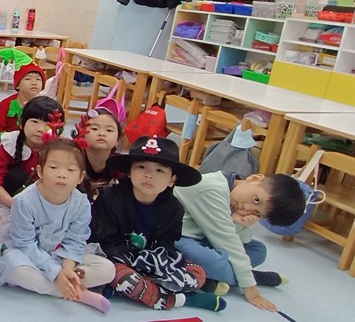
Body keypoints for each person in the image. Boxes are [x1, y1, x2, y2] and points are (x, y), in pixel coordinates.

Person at [91, 137, 226, 312]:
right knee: (125, 279)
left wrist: (154, 263)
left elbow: (167, 243)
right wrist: (139, 263)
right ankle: (184, 299)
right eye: (141, 167)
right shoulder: (110, 199)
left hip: (153, 259)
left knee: (198, 273)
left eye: (160, 170)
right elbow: (105, 242)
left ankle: (148, 289)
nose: (149, 175)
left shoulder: (174, 208)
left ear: (172, 179)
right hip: (116, 258)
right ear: (129, 172)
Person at [0, 138, 115, 313]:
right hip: (26, 253)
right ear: (40, 171)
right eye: (53, 167)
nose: (61, 174)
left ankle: (66, 283)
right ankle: (79, 293)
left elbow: (75, 241)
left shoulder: (81, 203)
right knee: (17, 270)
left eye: (70, 170)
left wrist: (66, 269)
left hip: (60, 254)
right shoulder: (24, 201)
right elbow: (25, 244)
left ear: (80, 177)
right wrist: (56, 273)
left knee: (107, 270)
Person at [174, 169, 306, 311]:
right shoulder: (212, 189)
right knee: (214, 262)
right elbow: (227, 242)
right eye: (256, 200)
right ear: (254, 178)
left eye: (257, 213)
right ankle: (249, 277)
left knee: (258, 250)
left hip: (201, 237)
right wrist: (250, 286)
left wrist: (238, 222)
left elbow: (243, 239)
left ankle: (220, 276)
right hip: (175, 237)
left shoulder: (233, 195)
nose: (247, 208)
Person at [0, 96, 64, 231]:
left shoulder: (60, 150)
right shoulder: (11, 143)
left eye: (47, 124)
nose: (40, 129)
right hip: (8, 198)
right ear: (22, 123)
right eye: (34, 122)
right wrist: (13, 204)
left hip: (44, 203)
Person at [78, 108, 125, 202]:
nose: (102, 133)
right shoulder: (73, 159)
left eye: (109, 130)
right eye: (94, 128)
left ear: (118, 140)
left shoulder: (120, 165)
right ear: (82, 134)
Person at [0, 61, 45, 137]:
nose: (34, 83)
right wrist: (3, 139)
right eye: (28, 79)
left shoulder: (44, 105)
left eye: (38, 79)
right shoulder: (7, 104)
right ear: (17, 85)